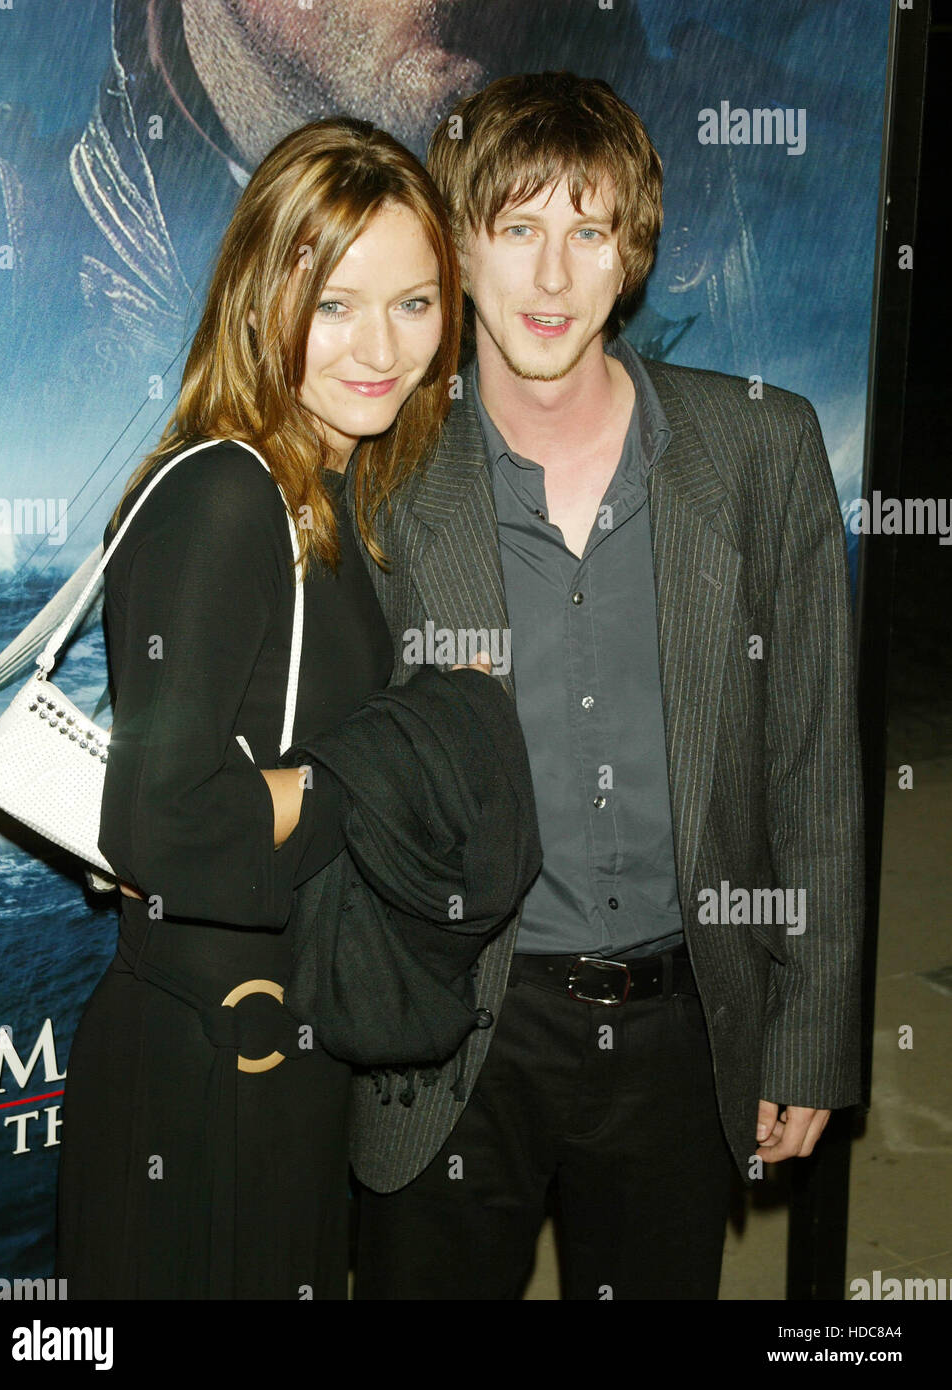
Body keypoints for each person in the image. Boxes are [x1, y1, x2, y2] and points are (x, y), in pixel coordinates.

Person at [347, 72, 864, 1300]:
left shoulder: (760, 449)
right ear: (460, 245)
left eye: (588, 232)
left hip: (682, 1032)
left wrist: (809, 1031)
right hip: (457, 1029)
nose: (552, 277)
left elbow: (817, 769)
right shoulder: (384, 478)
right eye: (518, 229)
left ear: (632, 253)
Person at [55, 114, 467, 1300]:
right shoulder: (230, 491)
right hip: (203, 1066)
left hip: (276, 1043)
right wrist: (370, 773)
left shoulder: (323, 489)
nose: (379, 347)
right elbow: (160, 825)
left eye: (414, 303)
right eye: (333, 305)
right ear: (257, 300)